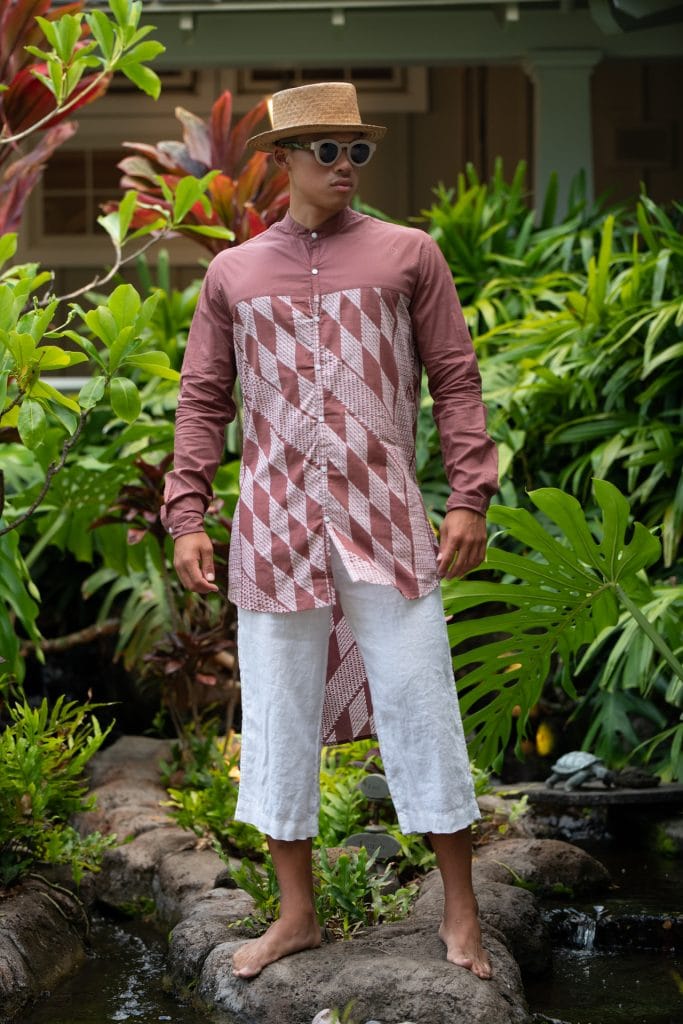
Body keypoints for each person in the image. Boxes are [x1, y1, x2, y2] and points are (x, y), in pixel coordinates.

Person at [161, 82, 498, 982]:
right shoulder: (232, 275)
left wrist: (469, 495)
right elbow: (203, 401)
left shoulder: (408, 255)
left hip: (385, 522)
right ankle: (296, 915)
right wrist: (186, 512)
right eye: (327, 152)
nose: (346, 168)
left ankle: (459, 914)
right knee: (277, 718)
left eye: (358, 152)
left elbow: (455, 382)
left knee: (421, 706)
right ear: (280, 161)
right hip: (274, 531)